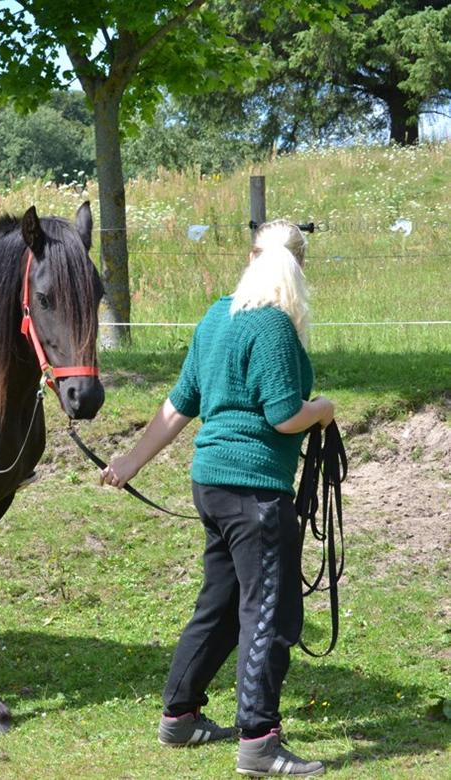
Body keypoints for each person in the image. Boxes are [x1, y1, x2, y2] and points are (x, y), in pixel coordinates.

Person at [101, 220, 334, 777]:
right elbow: (284, 416)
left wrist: (130, 461)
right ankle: (259, 740)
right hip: (256, 491)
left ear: (252, 259)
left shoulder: (216, 316)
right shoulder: (274, 324)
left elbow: (180, 402)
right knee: (270, 612)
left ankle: (179, 716)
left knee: (223, 605)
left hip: (211, 484)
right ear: (299, 267)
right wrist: (322, 410)